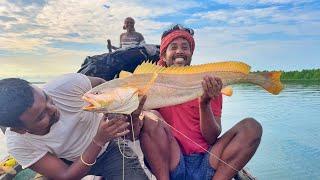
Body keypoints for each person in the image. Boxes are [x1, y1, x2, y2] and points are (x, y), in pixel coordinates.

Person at [140, 24, 263, 180]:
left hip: (207, 161)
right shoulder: (151, 82)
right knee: (151, 116)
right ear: (163, 56)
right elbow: (141, 133)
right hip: (172, 162)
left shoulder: (209, 83)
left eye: (185, 47)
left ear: (191, 53)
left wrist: (204, 103)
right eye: (173, 47)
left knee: (251, 127)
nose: (179, 51)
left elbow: (211, 138)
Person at [0, 73, 148, 179]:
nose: (53, 109)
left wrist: (115, 111)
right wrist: (98, 140)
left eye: (47, 98)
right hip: (68, 163)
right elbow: (66, 175)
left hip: (109, 149)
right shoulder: (17, 143)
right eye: (41, 116)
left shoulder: (67, 85)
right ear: (20, 129)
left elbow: (105, 85)